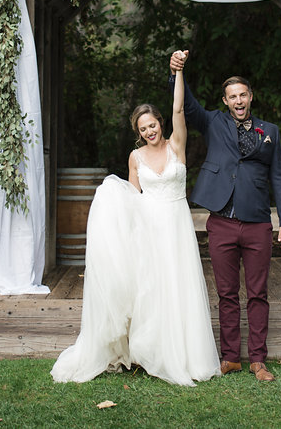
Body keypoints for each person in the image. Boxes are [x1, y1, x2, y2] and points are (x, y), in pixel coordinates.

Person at [51, 60, 220, 386]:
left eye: (152, 125)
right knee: (149, 290)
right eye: (142, 129)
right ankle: (146, 352)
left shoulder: (177, 145)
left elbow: (179, 109)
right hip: (149, 229)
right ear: (138, 133)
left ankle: (182, 355)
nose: (149, 131)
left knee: (178, 287)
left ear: (160, 123)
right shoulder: (136, 157)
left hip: (176, 225)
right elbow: (131, 195)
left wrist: (179, 73)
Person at [169, 50, 281, 382]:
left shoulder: (270, 131)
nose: (238, 101)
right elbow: (186, 106)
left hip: (257, 223)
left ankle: (258, 360)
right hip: (221, 221)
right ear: (225, 101)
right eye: (232, 96)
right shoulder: (213, 122)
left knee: (257, 293)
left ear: (250, 97)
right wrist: (176, 72)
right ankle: (230, 358)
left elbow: (279, 177)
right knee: (226, 293)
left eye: (243, 95)